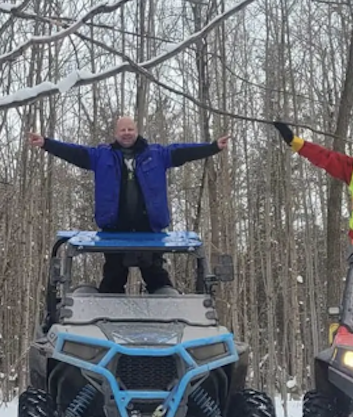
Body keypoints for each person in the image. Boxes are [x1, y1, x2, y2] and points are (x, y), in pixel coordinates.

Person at [27, 116, 229, 294]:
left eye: (130, 129)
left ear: (137, 131)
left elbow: (184, 152)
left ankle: (167, 318)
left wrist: (212, 147)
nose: (126, 133)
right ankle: (104, 324)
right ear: (116, 133)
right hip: (114, 231)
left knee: (158, 279)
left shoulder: (157, 154)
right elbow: (74, 152)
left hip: (150, 230)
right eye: (122, 130)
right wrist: (46, 143)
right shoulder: (101, 155)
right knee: (113, 279)